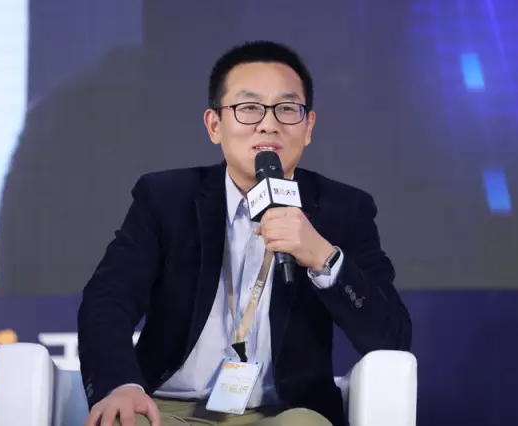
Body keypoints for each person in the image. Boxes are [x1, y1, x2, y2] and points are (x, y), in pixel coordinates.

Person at [77, 40, 412, 426]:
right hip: (169, 409)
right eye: (249, 108)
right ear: (214, 125)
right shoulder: (165, 199)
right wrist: (121, 385)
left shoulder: (343, 210)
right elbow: (108, 300)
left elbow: (391, 337)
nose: (269, 124)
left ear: (308, 128)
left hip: (282, 414)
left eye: (287, 109)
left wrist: (325, 259)